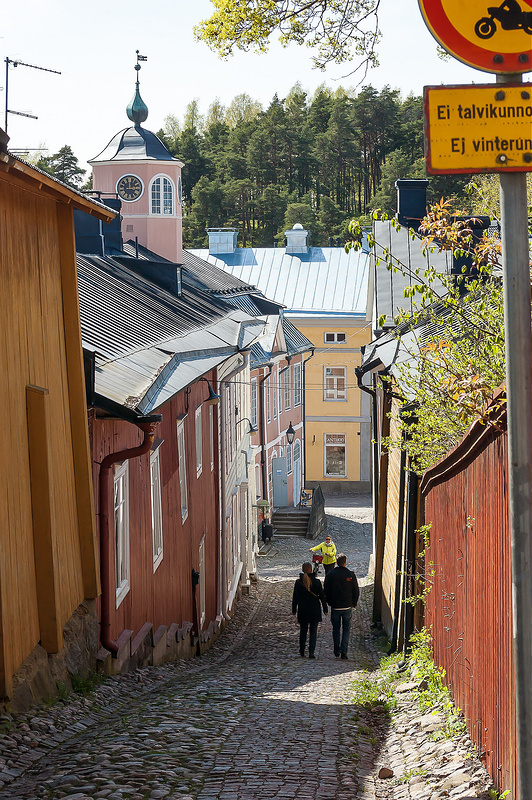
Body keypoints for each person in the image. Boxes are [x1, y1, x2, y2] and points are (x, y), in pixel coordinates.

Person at [324, 553, 359, 660]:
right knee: (346, 629)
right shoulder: (350, 575)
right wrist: (354, 603)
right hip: (347, 606)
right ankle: (344, 651)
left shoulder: (330, 575)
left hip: (335, 606)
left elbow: (326, 590)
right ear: (345, 562)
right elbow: (356, 590)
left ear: (336, 562)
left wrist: (329, 602)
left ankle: (336, 650)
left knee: (336, 629)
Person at [292, 562, 328, 659]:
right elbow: (322, 596)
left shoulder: (298, 582)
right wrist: (325, 609)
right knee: (313, 632)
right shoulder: (316, 582)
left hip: (303, 609)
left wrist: (294, 609)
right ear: (311, 570)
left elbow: (295, 597)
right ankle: (311, 652)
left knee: (303, 631)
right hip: (314, 610)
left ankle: (302, 650)